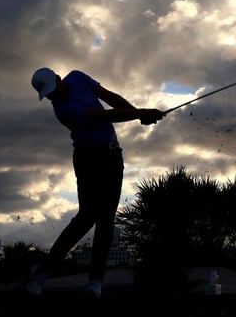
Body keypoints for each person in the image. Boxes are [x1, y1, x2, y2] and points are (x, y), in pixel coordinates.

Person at [27, 67, 165, 299]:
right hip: (87, 157)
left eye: (53, 90)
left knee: (106, 221)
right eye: (48, 95)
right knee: (85, 218)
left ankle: (95, 283)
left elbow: (111, 98)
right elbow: (104, 115)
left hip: (112, 156)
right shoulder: (64, 110)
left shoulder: (78, 77)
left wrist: (138, 114)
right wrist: (142, 113)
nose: (52, 96)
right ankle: (43, 272)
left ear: (58, 79)